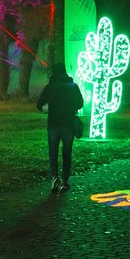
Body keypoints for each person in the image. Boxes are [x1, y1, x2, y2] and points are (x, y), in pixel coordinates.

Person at [36, 62, 84, 193]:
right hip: (68, 124)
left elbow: (39, 104)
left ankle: (54, 178)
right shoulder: (73, 86)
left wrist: (48, 109)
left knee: (53, 152)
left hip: (53, 124)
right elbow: (80, 103)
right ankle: (65, 181)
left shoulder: (50, 87)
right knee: (67, 153)